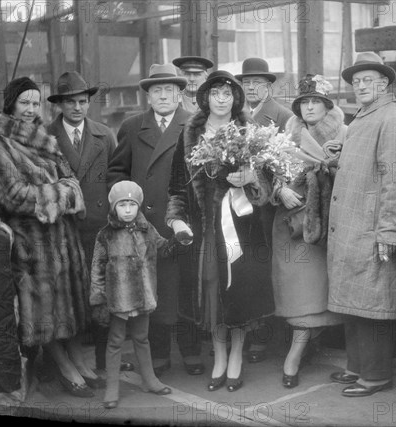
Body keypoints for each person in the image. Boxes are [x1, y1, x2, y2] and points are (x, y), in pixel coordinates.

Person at [0, 77, 95, 397]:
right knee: (45, 311)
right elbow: (14, 196)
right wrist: (64, 194)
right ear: (11, 104)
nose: (31, 109)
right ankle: (63, 365)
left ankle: (75, 359)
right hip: (32, 240)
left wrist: (64, 190)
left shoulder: (43, 136)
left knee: (67, 305)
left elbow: (70, 178)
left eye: (35, 103)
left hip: (62, 236)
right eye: (24, 102)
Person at [166, 70, 274, 392]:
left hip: (243, 227)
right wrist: (176, 219)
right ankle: (220, 356)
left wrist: (251, 179)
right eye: (216, 93)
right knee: (212, 288)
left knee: (238, 290)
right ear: (206, 98)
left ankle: (237, 355)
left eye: (228, 94)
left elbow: (267, 184)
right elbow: (176, 187)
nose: (222, 99)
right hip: (206, 228)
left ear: (236, 98)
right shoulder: (189, 134)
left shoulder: (249, 131)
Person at [326, 52, 396, 398]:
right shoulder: (366, 116)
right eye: (356, 81)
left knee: (374, 304)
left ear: (384, 84)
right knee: (357, 301)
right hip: (355, 225)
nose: (360, 86)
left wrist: (391, 231)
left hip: (371, 226)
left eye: (368, 80)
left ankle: (377, 375)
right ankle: (358, 366)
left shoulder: (392, 118)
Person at [107, 64, 205, 377]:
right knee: (154, 289)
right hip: (145, 224)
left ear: (180, 94)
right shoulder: (133, 126)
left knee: (187, 286)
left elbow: (204, 174)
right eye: (157, 91)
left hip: (183, 221)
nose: (163, 96)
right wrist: (127, 205)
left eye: (169, 90)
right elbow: (117, 172)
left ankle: (191, 352)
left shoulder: (194, 124)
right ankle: (159, 355)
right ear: (148, 96)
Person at [46, 71, 130, 379]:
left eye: (83, 101)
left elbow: (116, 177)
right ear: (60, 105)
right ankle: (73, 359)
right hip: (64, 229)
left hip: (99, 227)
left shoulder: (104, 134)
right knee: (71, 295)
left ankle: (105, 362)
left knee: (102, 293)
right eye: (70, 103)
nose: (78, 108)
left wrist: (117, 217)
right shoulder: (46, 136)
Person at [270, 74, 346, 388]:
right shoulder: (286, 136)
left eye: (316, 101)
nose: (309, 107)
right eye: (304, 102)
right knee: (300, 294)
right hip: (292, 225)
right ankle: (298, 352)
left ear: (328, 106)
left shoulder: (345, 132)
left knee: (326, 292)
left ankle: (298, 355)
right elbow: (270, 171)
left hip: (329, 223)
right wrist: (279, 191)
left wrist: (333, 163)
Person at [90, 181, 174, 409]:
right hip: (119, 298)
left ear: (138, 206)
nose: (127, 209)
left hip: (144, 296)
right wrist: (98, 296)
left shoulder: (148, 230)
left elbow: (164, 248)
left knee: (142, 338)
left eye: (132, 204)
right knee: (115, 341)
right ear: (113, 207)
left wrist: (179, 239)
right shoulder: (105, 235)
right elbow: (97, 267)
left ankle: (150, 380)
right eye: (122, 205)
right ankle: (112, 388)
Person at [236, 57, 293, 363]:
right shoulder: (236, 117)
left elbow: (290, 163)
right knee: (246, 268)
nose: (252, 88)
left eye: (258, 82)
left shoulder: (282, 116)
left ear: (269, 86)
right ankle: (249, 331)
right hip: (239, 206)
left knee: (270, 267)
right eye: (246, 83)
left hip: (269, 209)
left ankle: (269, 337)